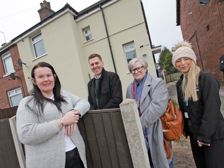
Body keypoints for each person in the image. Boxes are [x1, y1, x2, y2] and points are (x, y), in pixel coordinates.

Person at [16, 62, 90, 168]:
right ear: (34, 81)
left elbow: (84, 102)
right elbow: (25, 134)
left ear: (54, 77)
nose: (46, 79)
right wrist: (62, 122)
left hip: (75, 153)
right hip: (48, 161)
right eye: (41, 77)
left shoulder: (63, 94)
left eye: (49, 75)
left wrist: (74, 112)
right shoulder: (27, 103)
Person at [172, 41, 224, 168]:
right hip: (195, 136)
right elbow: (185, 108)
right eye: (178, 60)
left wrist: (204, 136)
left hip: (212, 136)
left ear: (193, 59)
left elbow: (212, 109)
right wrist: (185, 129)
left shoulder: (206, 79)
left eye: (186, 59)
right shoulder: (180, 84)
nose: (182, 63)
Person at [126, 57, 169, 168]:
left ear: (145, 68)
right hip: (140, 135)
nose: (136, 71)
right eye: (133, 70)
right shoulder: (130, 88)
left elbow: (158, 107)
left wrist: (138, 124)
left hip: (155, 129)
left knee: (161, 161)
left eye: (139, 68)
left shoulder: (157, 83)